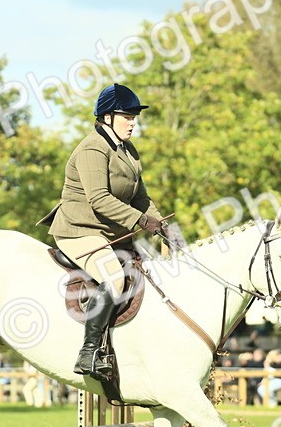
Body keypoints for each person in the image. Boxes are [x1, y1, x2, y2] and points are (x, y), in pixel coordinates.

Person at [38, 83, 181, 380]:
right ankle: (88, 353)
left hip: (109, 232)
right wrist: (142, 222)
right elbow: (99, 199)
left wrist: (162, 226)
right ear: (107, 117)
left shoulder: (128, 151)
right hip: (79, 230)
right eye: (126, 116)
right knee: (114, 279)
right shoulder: (93, 147)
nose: (132, 122)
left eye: (134, 117)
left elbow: (141, 198)